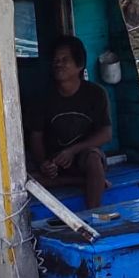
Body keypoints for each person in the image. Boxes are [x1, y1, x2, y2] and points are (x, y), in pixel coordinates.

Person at [28, 35, 112, 210]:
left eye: (65, 60)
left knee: (93, 159)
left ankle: (92, 214)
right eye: (56, 60)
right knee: (26, 181)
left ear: (79, 65)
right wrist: (44, 162)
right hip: (56, 162)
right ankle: (82, 181)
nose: (58, 64)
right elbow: (36, 135)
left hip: (83, 157)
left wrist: (73, 151)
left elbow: (106, 133)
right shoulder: (42, 97)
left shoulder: (96, 93)